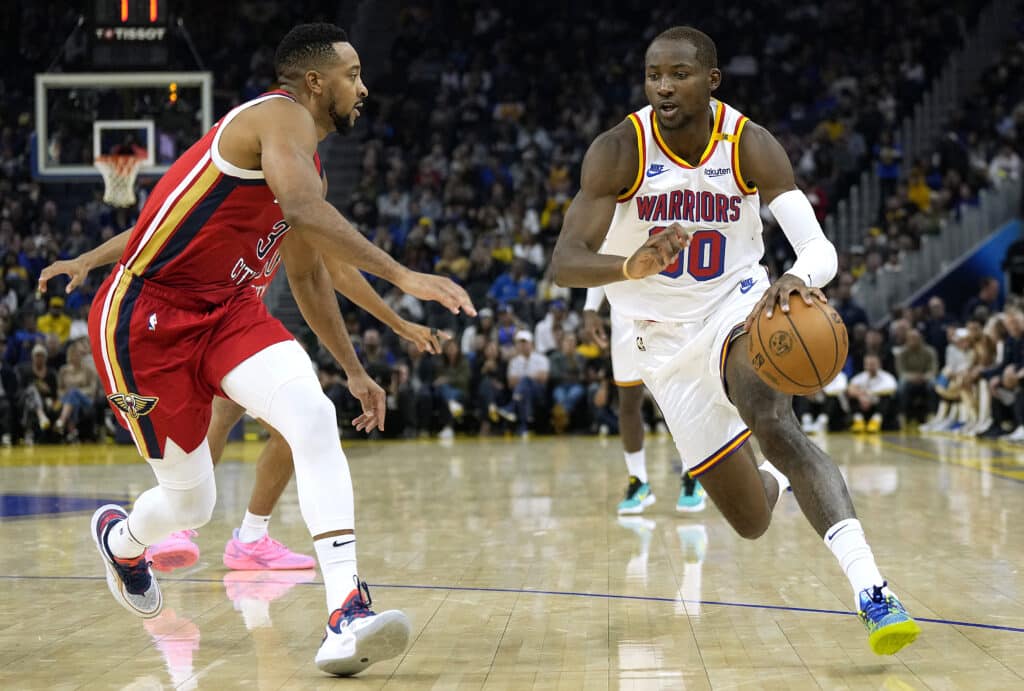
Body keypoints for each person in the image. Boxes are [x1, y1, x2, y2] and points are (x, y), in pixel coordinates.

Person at [59, 23, 473, 677]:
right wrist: (404, 274)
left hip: (226, 313)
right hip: (145, 320)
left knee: (312, 415)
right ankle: (122, 537)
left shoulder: (303, 168)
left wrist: (356, 369)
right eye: (352, 74)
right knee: (189, 503)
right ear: (314, 81)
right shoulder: (277, 118)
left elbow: (309, 277)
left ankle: (347, 611)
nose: (363, 88)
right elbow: (305, 214)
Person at [551, 26, 919, 654]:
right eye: (653, 75)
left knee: (773, 419)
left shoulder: (748, 144)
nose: (664, 86)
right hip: (658, 342)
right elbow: (565, 260)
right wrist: (628, 267)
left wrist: (796, 279)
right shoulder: (619, 150)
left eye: (679, 74)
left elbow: (819, 251)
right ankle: (776, 477)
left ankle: (873, 591)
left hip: (736, 307)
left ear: (711, 79)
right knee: (751, 521)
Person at [40, 224, 443, 572]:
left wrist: (399, 323)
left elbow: (333, 270)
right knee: (221, 424)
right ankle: (196, 527)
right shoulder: (228, 182)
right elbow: (152, 231)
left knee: (284, 422)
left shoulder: (291, 195)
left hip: (233, 330)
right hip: (181, 327)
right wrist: (89, 260)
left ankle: (243, 537)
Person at [584, 286, 704, 514]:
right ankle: (638, 481)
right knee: (628, 402)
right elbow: (600, 253)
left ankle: (693, 472)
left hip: (670, 311)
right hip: (626, 318)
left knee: (683, 397)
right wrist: (590, 308)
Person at [847, 354, 899, 432]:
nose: (870, 367)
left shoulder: (887, 377)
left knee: (887, 397)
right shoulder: (860, 377)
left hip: (879, 409)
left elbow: (891, 388)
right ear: (864, 365)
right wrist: (860, 396)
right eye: (868, 364)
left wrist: (869, 395)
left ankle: (876, 422)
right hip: (865, 407)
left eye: (873, 364)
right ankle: (859, 422)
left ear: (879, 364)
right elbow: (850, 389)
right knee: (852, 397)